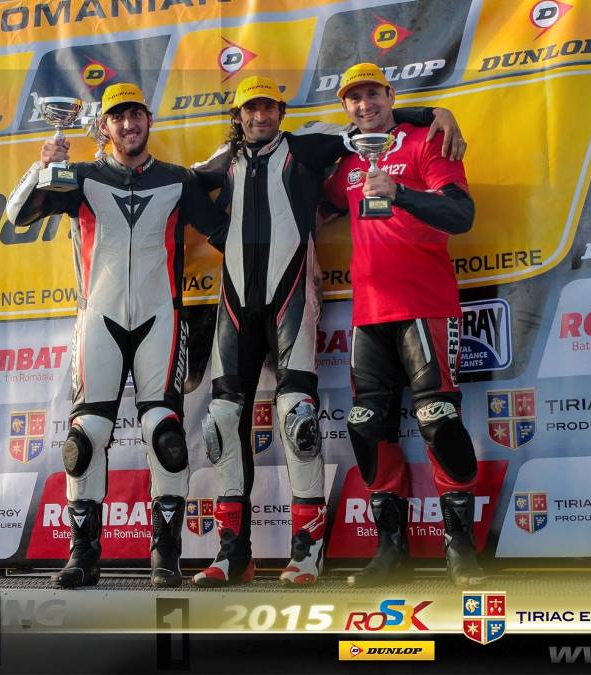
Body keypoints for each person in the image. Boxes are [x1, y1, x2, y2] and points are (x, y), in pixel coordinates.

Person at [190, 75, 466, 587]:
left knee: (298, 415)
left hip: (296, 296)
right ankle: (233, 553)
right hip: (235, 304)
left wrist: (433, 115)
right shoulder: (223, 159)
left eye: (269, 107)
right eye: (251, 108)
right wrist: (217, 230)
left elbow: (372, 129)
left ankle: (307, 552)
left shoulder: (308, 146)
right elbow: (183, 186)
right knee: (223, 419)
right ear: (239, 114)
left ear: (281, 111)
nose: (260, 116)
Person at [5, 83, 226, 589]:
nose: (129, 125)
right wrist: (42, 167)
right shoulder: (80, 177)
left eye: (136, 115)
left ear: (149, 120)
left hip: (161, 319)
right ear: (103, 126)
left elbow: (224, 235)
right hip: (97, 321)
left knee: (167, 437)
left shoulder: (178, 180)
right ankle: (83, 555)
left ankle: (165, 554)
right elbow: (18, 215)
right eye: (118, 117)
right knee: (83, 441)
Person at [322, 63, 486, 587]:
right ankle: (390, 550)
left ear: (390, 96)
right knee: (366, 425)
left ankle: (460, 548)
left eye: (373, 93)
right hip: (369, 313)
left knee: (438, 418)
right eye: (354, 98)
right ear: (345, 107)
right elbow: (316, 202)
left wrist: (400, 192)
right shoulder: (346, 159)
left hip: (425, 304)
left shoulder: (428, 141)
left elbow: (461, 215)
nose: (364, 104)